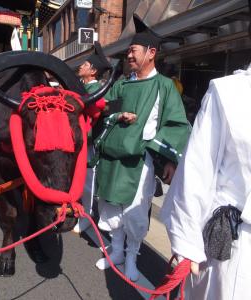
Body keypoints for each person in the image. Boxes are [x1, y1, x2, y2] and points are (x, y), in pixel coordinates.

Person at [160, 2, 251, 298]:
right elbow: (198, 169)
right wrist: (187, 242)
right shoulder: (229, 91)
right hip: (237, 242)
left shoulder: (168, 86)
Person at [93, 14, 190, 281]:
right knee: (110, 205)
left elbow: (177, 124)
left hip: (140, 160)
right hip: (113, 157)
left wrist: (170, 160)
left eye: (133, 51)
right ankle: (116, 250)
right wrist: (116, 116)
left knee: (135, 209)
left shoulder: (164, 86)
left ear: (151, 53)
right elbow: (104, 112)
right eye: (128, 52)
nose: (129, 56)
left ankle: (132, 255)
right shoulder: (121, 84)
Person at [74, 41, 111, 233]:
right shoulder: (82, 87)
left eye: (86, 65)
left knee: (87, 182)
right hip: (78, 142)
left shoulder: (97, 90)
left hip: (89, 143)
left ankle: (86, 216)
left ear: (93, 71)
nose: (81, 66)